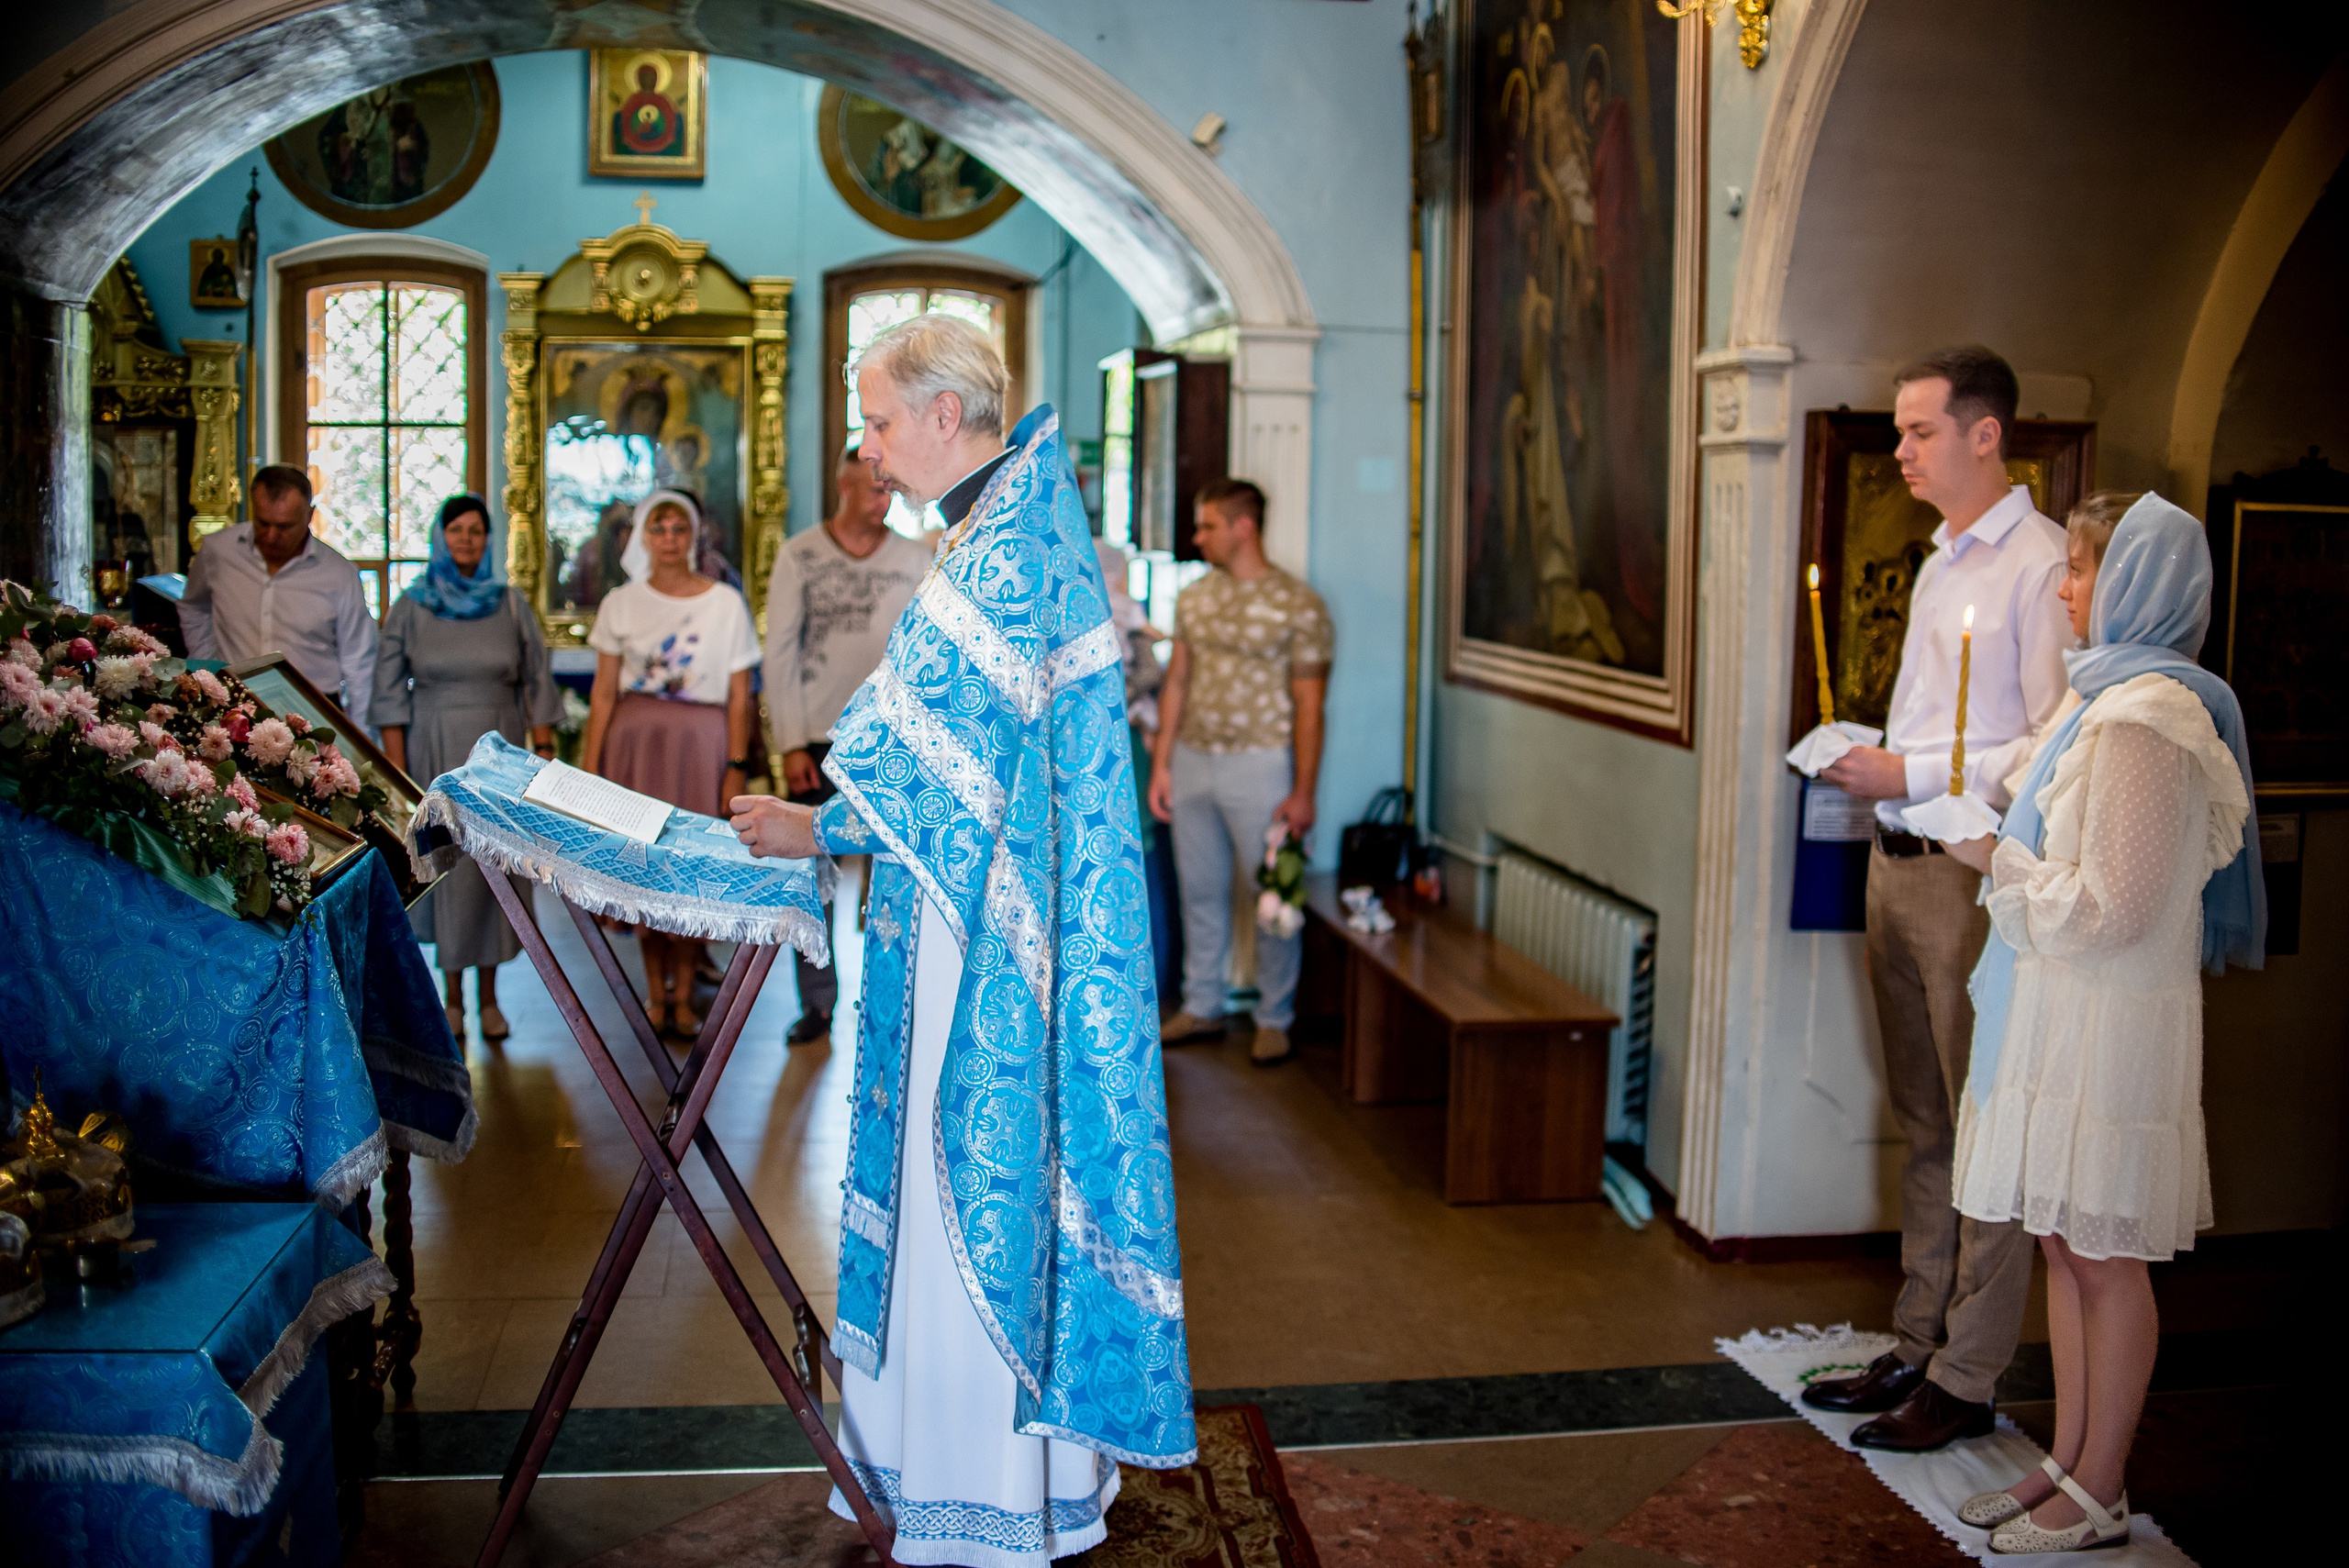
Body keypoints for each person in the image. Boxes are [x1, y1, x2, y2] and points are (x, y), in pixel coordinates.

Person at [728, 313, 1195, 1562]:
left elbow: (949, 768)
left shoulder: (1003, 554)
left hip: (985, 941)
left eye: (880, 421)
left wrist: (817, 826)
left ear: (945, 414)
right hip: (965, 917)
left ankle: (980, 1485)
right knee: (960, 1174)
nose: (870, 451)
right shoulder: (1008, 525)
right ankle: (939, 1460)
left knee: (969, 1180)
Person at [1940, 493, 2262, 1552]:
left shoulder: (2145, 716)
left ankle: (2102, 1484)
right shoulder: (2100, 701)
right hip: (2060, 1004)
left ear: (2132, 583)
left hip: (2109, 1018)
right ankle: (2068, 1462)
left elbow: (2116, 905)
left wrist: (1994, 858)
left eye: (2080, 569)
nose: (2065, 587)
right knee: (2062, 1242)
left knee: (2104, 1253)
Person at [1804, 346, 2071, 1451]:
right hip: (1896, 861)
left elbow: (2051, 743)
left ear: (1983, 433)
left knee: (1981, 1134)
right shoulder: (1938, 560)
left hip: (1968, 876)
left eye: (1918, 430)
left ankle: (1967, 1372)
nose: (1900, 449)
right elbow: (1938, 723)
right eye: (1901, 430)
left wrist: (1906, 773)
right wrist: (1876, 754)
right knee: (1922, 1119)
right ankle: (1917, 1335)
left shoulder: (2041, 565)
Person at [1146, 478, 1332, 1068]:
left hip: (1262, 764)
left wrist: (1303, 790)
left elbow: (1310, 705)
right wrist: (1162, 764)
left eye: (1207, 526)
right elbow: (1176, 680)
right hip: (1194, 759)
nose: (1197, 537)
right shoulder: (1195, 597)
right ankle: (1203, 1004)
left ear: (1242, 526)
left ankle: (1274, 1017)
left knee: (1272, 894)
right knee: (1198, 889)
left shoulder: (1299, 604)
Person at [373, 494, 562, 1043]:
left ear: (488, 539)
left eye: (476, 530)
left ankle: (490, 996)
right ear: (439, 536)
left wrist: (544, 748)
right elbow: (388, 692)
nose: (466, 539)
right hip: (433, 749)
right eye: (455, 529)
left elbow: (537, 676)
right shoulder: (412, 606)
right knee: (449, 869)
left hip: (500, 752)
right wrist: (399, 772)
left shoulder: (509, 603)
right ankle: (451, 996)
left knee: (494, 869)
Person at [762, 444, 933, 1045]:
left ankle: (895, 999)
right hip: (817, 738)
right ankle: (817, 1001)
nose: (883, 498)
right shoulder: (801, 555)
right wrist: (790, 743)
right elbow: (779, 653)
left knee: (897, 870)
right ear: (843, 485)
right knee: (814, 875)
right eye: (873, 488)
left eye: (889, 488)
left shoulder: (915, 558)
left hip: (892, 739)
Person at [579, 489, 760, 1038]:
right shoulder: (621, 603)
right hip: (635, 747)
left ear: (695, 534)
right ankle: (656, 997)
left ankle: (686, 998)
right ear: (641, 536)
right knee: (641, 868)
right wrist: (587, 771)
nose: (668, 540)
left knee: (689, 869)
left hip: (699, 748)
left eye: (678, 529)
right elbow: (605, 693)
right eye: (657, 529)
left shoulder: (724, 603)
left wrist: (736, 761)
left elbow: (739, 693)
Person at [178, 464, 378, 735]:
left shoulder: (339, 574)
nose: (271, 536)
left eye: (284, 526)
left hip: (314, 712)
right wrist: (206, 666)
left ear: (309, 515)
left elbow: (359, 663)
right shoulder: (218, 552)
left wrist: (361, 737)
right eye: (263, 523)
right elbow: (194, 607)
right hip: (235, 706)